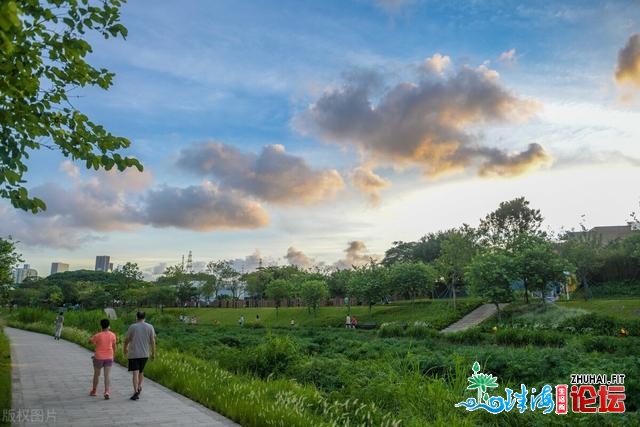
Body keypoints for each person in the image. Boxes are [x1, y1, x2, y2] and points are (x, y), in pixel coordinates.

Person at [124, 311, 156, 401]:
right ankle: (139, 386)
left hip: (134, 353)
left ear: (136, 317)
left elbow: (127, 340)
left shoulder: (132, 327)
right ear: (144, 317)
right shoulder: (150, 327)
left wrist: (125, 349)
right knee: (141, 372)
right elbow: (153, 341)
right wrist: (153, 353)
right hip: (145, 353)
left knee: (135, 372)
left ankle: (135, 392)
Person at [89, 318, 117, 399]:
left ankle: (94, 391)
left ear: (101, 326)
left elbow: (90, 341)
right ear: (109, 326)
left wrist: (93, 337)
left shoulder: (98, 335)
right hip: (109, 357)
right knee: (107, 375)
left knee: (97, 375)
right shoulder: (112, 335)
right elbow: (114, 346)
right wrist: (113, 356)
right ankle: (107, 391)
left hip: (98, 357)